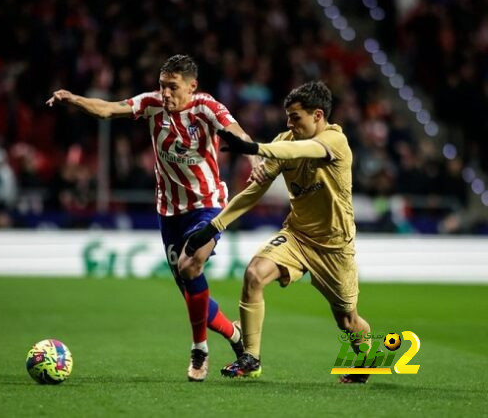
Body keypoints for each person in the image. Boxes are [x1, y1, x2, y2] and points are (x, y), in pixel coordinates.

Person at [46, 54, 256, 382]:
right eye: (162, 86)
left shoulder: (206, 107)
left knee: (190, 266)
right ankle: (236, 337)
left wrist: (254, 155)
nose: (166, 93)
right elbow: (108, 109)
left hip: (208, 204)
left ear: (191, 87)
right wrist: (73, 98)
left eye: (173, 87)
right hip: (168, 210)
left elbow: (234, 129)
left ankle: (199, 349)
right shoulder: (152, 104)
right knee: (191, 292)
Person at [185, 81, 375, 384]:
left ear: (318, 115)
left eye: (295, 117)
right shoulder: (284, 141)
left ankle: (368, 360)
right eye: (287, 117)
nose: (289, 123)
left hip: (335, 246)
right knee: (254, 274)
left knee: (348, 320)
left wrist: (256, 148)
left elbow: (303, 150)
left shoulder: (335, 141)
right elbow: (252, 193)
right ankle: (251, 358)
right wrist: (213, 227)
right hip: (297, 236)